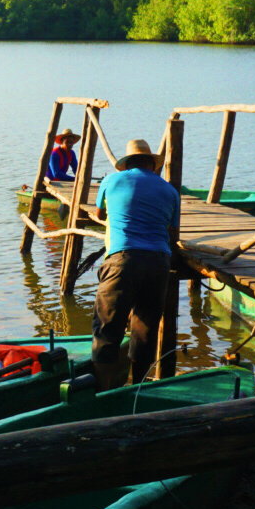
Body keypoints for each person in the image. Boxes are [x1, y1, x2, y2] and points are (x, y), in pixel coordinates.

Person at [91, 138, 180, 391]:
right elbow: (172, 229)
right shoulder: (170, 190)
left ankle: (103, 392)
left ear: (127, 163)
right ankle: (138, 389)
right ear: (153, 164)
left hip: (122, 260)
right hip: (158, 261)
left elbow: (100, 214)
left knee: (107, 327)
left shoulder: (111, 180)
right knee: (146, 330)